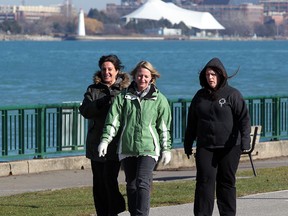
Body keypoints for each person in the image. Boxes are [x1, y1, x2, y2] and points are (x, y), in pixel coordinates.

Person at [98, 60, 172, 216]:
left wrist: (166, 149)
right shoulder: (123, 97)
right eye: (139, 76)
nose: (142, 79)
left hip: (149, 148)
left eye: (146, 76)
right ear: (134, 76)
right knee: (131, 186)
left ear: (152, 78)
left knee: (143, 183)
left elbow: (164, 127)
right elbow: (113, 120)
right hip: (127, 147)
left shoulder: (159, 100)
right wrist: (105, 140)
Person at [184, 57, 251, 216]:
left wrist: (245, 141)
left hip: (230, 147)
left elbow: (244, 118)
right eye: (207, 74)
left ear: (221, 75)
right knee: (204, 183)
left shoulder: (232, 94)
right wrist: (188, 142)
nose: (210, 77)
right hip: (206, 147)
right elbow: (192, 121)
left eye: (213, 74)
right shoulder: (200, 96)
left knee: (226, 183)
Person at [79, 54, 130, 216]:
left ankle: (116, 209)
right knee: (99, 184)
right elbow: (85, 111)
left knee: (109, 181)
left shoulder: (125, 90)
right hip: (96, 144)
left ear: (117, 71)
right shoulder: (93, 90)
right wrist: (99, 103)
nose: (106, 72)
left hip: (116, 145)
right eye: (103, 69)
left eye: (110, 69)